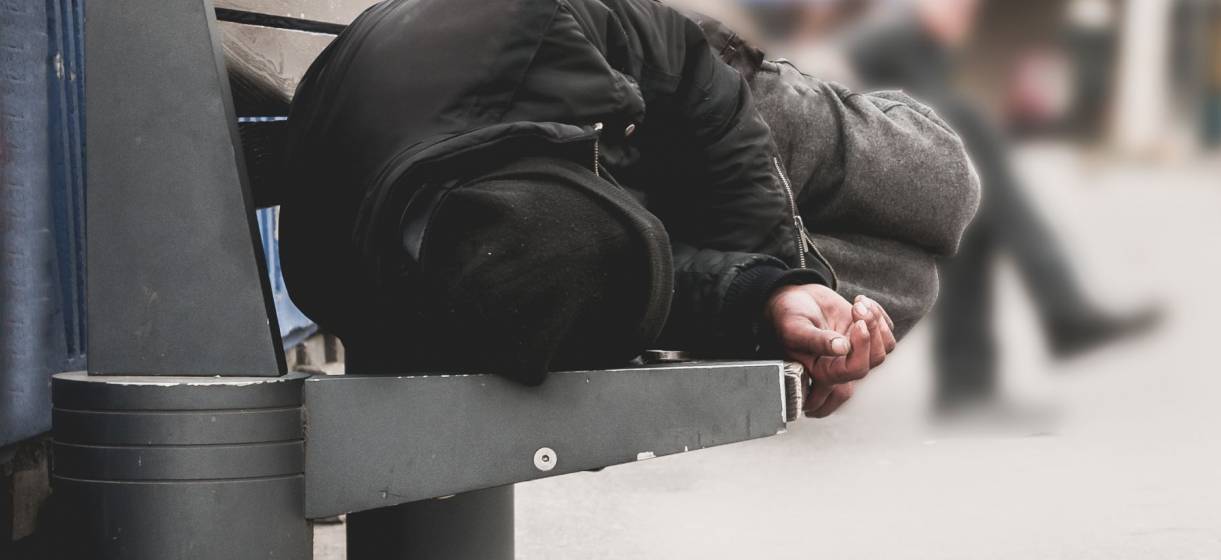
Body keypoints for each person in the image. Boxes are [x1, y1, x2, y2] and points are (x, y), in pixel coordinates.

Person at [280, 0, 977, 417]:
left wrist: (773, 268)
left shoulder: (522, 30)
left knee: (943, 185)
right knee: (904, 282)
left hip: (680, 113)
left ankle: (879, 110)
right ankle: (811, 301)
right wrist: (771, 305)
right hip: (582, 182)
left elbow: (694, 74)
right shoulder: (493, 288)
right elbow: (634, 285)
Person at [849, 0, 1162, 418]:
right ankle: (1059, 312)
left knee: (977, 206)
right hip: (856, 176)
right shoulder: (888, 38)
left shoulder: (919, 48)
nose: (965, 15)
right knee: (973, 152)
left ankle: (972, 382)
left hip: (895, 169)